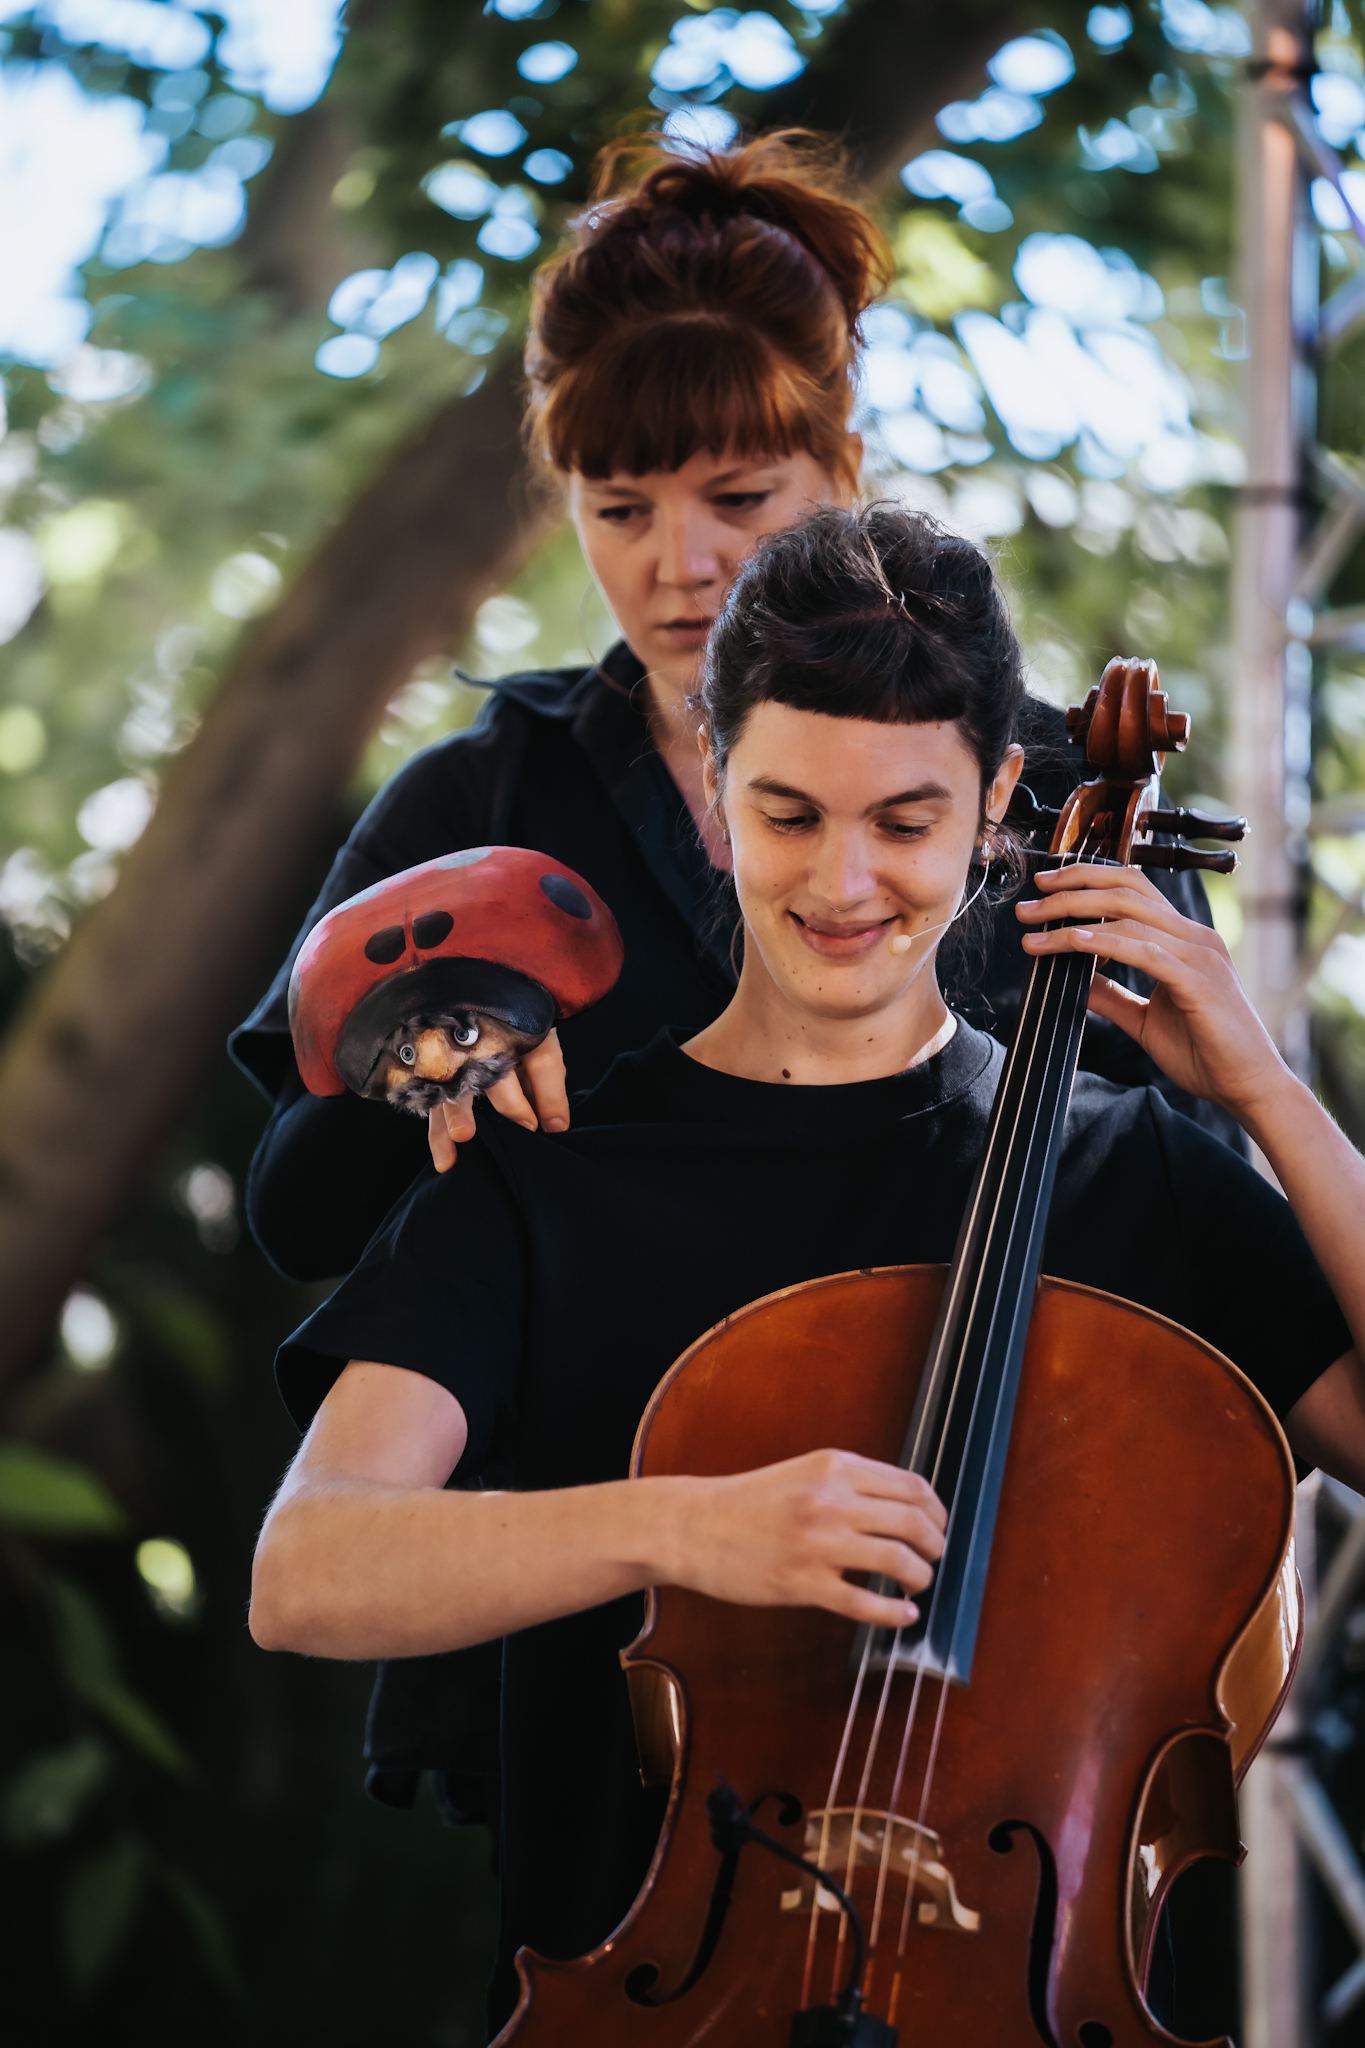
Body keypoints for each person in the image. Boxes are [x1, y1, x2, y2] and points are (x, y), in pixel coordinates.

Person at [250, 503, 1365, 2041]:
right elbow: (306, 1572)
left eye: (905, 822)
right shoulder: (550, 1171)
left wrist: (1262, 1093)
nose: (844, 882)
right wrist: (689, 1525)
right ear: (716, 786)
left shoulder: (1131, 1175)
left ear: (998, 809)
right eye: (788, 815)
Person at [229, 132, 1232, 1824]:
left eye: (738, 502)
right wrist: (426, 1075)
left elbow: (1176, 1216)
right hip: (594, 1626)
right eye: (617, 510)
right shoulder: (480, 797)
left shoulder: (1043, 792)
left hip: (986, 1617)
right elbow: (300, 1215)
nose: (676, 563)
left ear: (840, 466)